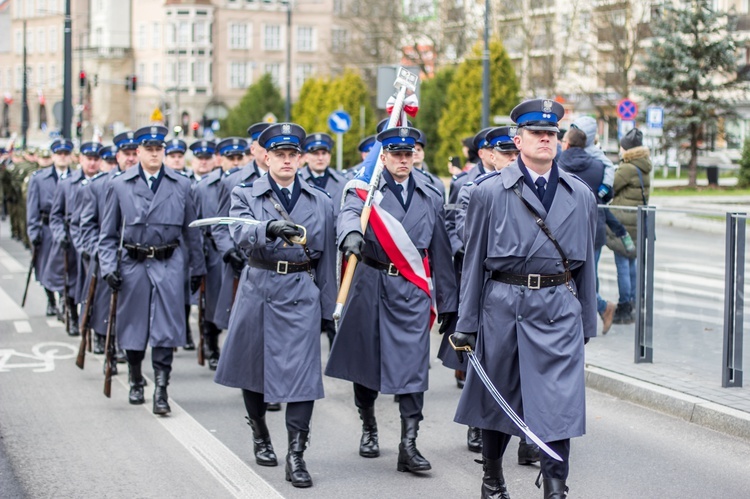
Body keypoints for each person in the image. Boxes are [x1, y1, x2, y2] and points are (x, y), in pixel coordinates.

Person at [451, 98, 597, 499]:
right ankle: (493, 479)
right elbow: (474, 262)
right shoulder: (489, 192)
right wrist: (466, 324)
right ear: (518, 139)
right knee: (499, 400)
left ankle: (555, 487)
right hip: (505, 306)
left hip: (559, 307)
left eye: (552, 134)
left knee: (560, 405)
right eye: (537, 133)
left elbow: (586, 266)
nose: (546, 139)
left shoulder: (580, 194)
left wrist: (586, 320)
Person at [325, 126, 458, 475]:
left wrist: (449, 302)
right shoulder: (366, 190)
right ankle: (369, 425)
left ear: (415, 155)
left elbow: (440, 249)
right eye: (395, 154)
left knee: (413, 367)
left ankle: (409, 444)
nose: (403, 160)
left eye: (408, 153)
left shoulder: (430, 193)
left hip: (411, 293)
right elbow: (349, 213)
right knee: (365, 363)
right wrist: (352, 234)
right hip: (370, 283)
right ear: (382, 157)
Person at [213, 123, 336, 489]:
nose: (286, 160)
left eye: (292, 154)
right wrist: (267, 228)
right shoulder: (246, 193)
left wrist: (328, 309)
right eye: (279, 154)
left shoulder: (320, 200)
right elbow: (238, 232)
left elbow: (327, 258)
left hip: (300, 290)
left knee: (303, 377)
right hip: (260, 285)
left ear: (301, 159)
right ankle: (260, 432)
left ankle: (296, 455)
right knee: (254, 368)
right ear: (266, 157)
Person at [99, 125, 205, 415]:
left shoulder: (182, 184)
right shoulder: (120, 184)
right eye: (149, 149)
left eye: (159, 149)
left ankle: (161, 388)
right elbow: (107, 234)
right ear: (139, 152)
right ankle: (135, 378)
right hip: (133, 263)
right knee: (133, 326)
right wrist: (108, 266)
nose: (155, 153)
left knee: (166, 328)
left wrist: (197, 267)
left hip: (169, 262)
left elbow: (192, 232)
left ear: (164, 151)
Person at [79, 132, 139, 365]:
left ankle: (125, 347)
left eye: (135, 154)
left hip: (133, 257)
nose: (131, 159)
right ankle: (108, 351)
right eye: (127, 154)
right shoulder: (99, 185)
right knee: (104, 308)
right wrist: (100, 252)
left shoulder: (143, 184)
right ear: (117, 155)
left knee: (131, 310)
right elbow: (88, 225)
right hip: (107, 255)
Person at [558, 127, 617, 334]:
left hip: (565, 230)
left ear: (566, 144)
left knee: (564, 276)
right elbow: (607, 196)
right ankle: (595, 311)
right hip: (595, 227)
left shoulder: (557, 165)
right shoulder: (598, 166)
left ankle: (593, 310)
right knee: (590, 273)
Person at [190, 138, 235, 370]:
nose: (235, 162)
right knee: (214, 302)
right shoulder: (203, 186)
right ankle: (211, 344)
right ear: (221, 159)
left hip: (239, 249)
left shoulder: (245, 183)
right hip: (212, 251)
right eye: (230, 158)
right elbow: (195, 223)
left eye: (239, 157)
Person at [50, 141, 102, 337]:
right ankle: (72, 315)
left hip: (92, 242)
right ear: (80, 159)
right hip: (71, 242)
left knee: (94, 287)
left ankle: (96, 331)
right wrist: (60, 236)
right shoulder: (67, 183)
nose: (92, 163)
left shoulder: (104, 183)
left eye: (96, 159)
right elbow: (56, 215)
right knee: (72, 282)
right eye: (89, 159)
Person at [608, 127, 652, 325]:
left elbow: (611, 187)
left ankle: (624, 305)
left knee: (622, 265)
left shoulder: (627, 168)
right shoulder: (644, 165)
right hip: (637, 221)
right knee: (632, 263)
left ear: (627, 149)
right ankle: (635, 302)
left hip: (624, 221)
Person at [28, 139, 73, 319]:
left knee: (66, 267)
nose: (62, 157)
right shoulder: (39, 179)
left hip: (67, 228)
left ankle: (64, 300)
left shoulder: (75, 178)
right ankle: (51, 300)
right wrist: (33, 233)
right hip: (46, 229)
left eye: (65, 154)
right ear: (53, 156)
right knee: (45, 267)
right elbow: (32, 210)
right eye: (59, 154)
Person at [412, 129, 445, 199]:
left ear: (423, 154)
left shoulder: (436, 181)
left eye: (419, 150)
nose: (416, 153)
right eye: (412, 150)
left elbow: (445, 207)